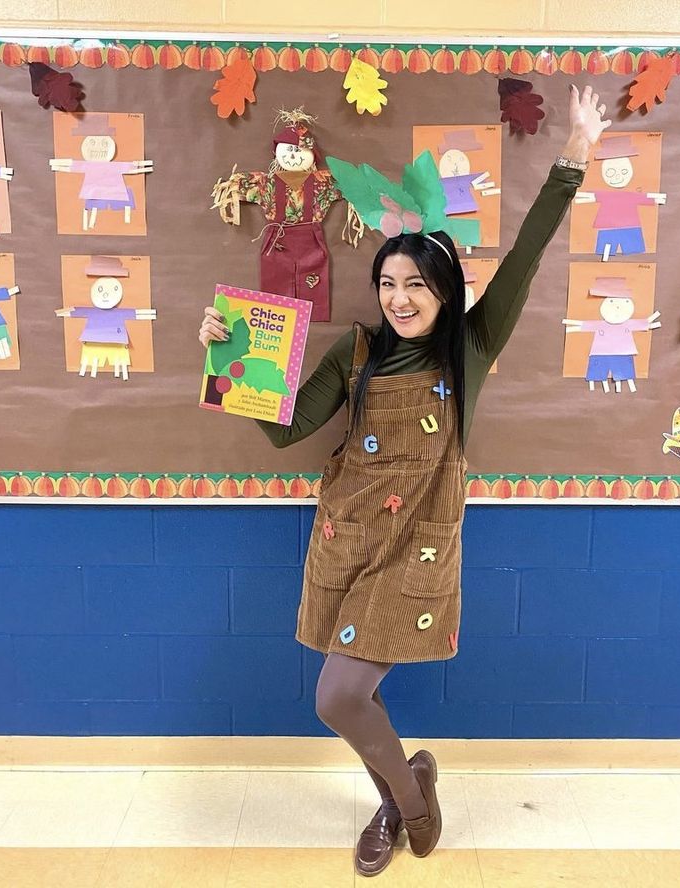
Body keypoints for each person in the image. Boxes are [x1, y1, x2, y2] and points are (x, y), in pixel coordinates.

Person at [198, 84, 610, 878]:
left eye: (416, 284)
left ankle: (411, 807)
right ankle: (404, 792)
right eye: (390, 284)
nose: (400, 298)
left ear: (445, 289)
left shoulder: (470, 348)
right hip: (347, 540)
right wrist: (222, 353)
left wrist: (575, 156)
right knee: (353, 699)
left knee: (337, 698)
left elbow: (525, 255)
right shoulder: (353, 351)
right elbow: (284, 430)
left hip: (416, 548)